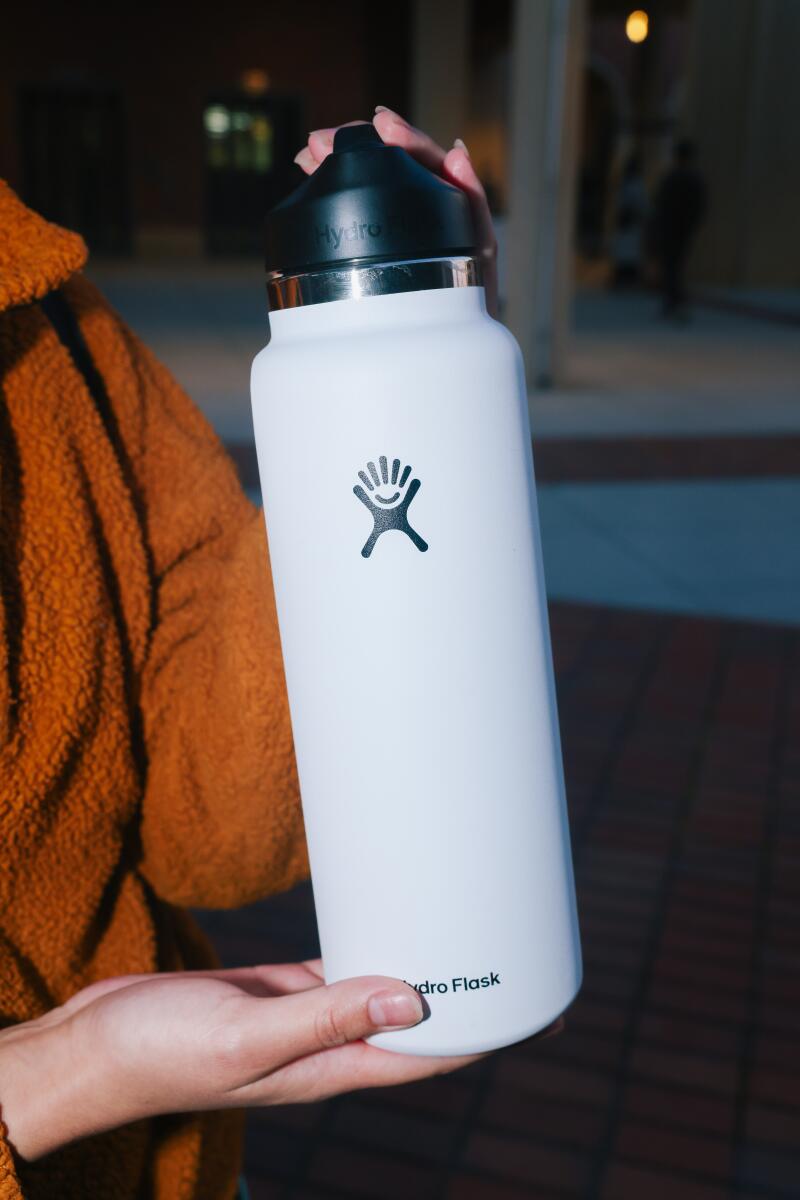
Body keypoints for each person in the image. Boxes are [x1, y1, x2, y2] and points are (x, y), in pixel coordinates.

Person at [0, 109, 511, 1199]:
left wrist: (379, 416)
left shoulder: (42, 314)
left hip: (164, 1167)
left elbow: (212, 837)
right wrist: (55, 1080)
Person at [652, 138, 707, 319]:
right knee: (677, 265)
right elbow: (700, 205)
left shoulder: (672, 178)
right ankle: (676, 301)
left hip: (670, 228)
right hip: (683, 228)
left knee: (671, 266)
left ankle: (674, 301)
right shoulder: (694, 179)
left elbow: (660, 203)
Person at [610, 151, 648, 288]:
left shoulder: (626, 183)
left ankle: (623, 278)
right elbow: (640, 203)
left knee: (626, 250)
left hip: (627, 221)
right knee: (629, 250)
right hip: (631, 222)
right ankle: (627, 279)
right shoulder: (635, 183)